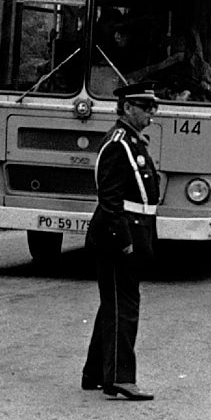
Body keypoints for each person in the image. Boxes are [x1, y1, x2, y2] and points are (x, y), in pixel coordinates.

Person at [82, 82, 161, 401]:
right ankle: (120, 378)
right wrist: (125, 241)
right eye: (146, 108)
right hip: (118, 236)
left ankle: (95, 373)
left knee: (113, 304)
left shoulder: (132, 140)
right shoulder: (118, 143)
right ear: (128, 108)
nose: (152, 114)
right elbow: (110, 198)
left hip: (132, 231)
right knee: (124, 306)